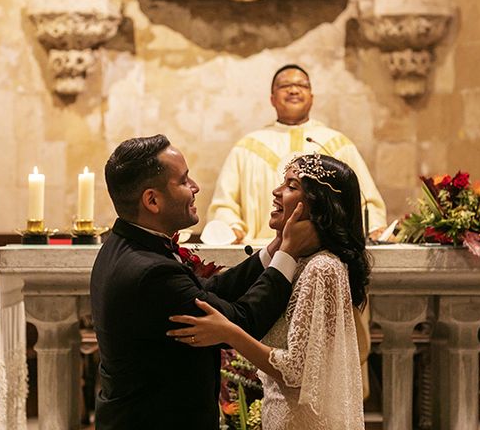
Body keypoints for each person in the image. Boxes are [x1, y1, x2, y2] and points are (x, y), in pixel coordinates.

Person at [90, 134, 318, 430]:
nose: (195, 187)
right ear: (152, 200)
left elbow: (205, 293)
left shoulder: (126, 245)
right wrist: (289, 252)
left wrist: (272, 250)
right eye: (184, 181)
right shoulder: (151, 273)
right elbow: (242, 321)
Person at [169, 154, 370, 429]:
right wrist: (280, 245)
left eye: (291, 185)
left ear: (318, 204)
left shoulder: (321, 267)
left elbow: (295, 370)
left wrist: (228, 331)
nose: (276, 192)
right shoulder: (301, 260)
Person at [207, 63, 386, 245]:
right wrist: (231, 227)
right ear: (272, 99)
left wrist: (373, 227)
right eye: (285, 86)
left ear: (311, 97)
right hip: (260, 248)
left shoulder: (336, 144)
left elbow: (364, 200)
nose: (294, 90)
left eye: (302, 85)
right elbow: (224, 205)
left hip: (324, 248)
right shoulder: (245, 148)